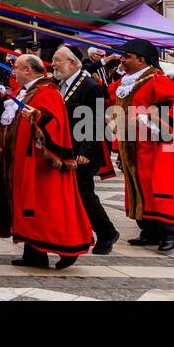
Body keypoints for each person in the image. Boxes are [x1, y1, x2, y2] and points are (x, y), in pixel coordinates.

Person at [0, 53, 93, 269]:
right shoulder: (28, 91)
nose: (13, 71)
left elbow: (56, 124)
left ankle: (69, 247)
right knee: (30, 209)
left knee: (50, 209)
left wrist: (38, 117)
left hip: (41, 164)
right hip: (25, 162)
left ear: (28, 70)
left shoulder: (47, 92)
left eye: (17, 67)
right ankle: (34, 253)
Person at [108, 39, 174, 253]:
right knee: (138, 187)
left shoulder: (157, 80)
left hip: (156, 145)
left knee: (159, 187)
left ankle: (169, 232)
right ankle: (148, 230)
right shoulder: (128, 81)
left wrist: (148, 117)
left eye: (128, 56)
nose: (123, 60)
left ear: (141, 60)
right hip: (133, 144)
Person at [52, 44, 119, 254]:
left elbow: (97, 120)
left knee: (84, 193)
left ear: (72, 63)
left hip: (83, 150)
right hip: (66, 147)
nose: (53, 64)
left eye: (57, 59)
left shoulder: (90, 86)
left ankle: (107, 232)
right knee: (75, 194)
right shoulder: (60, 83)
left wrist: (86, 152)